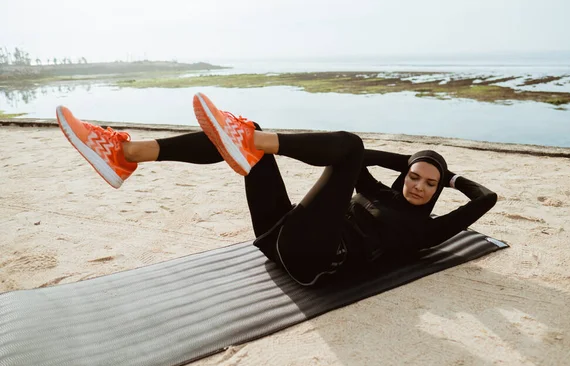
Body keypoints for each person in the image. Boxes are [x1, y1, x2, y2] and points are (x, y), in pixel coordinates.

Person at [56, 92, 497, 286]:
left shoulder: (429, 228)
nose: (420, 187)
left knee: (349, 144)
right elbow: (359, 164)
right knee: (258, 144)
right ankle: (127, 153)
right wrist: (410, 161)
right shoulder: (378, 191)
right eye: (415, 177)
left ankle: (248, 137)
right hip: (278, 238)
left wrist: (450, 174)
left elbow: (486, 199)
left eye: (431, 184)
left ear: (439, 193)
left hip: (317, 261)